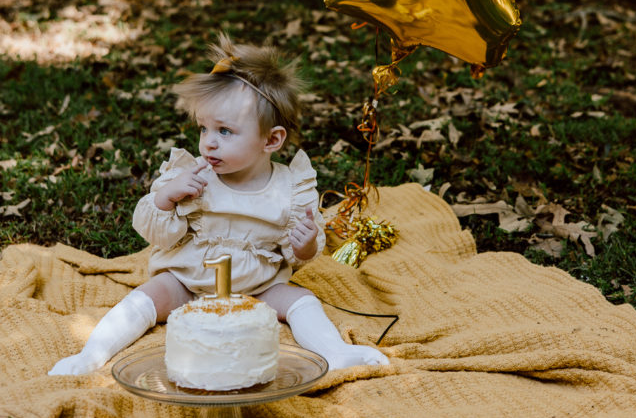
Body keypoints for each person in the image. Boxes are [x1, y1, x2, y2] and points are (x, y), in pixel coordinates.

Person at [49, 33, 388, 376]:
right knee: (147, 295)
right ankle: (92, 353)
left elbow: (299, 251)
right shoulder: (192, 176)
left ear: (271, 140)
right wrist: (166, 198)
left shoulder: (291, 188)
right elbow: (154, 232)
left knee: (302, 301)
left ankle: (335, 353)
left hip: (257, 289)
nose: (208, 143)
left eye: (224, 131)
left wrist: (304, 245)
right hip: (188, 281)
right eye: (203, 129)